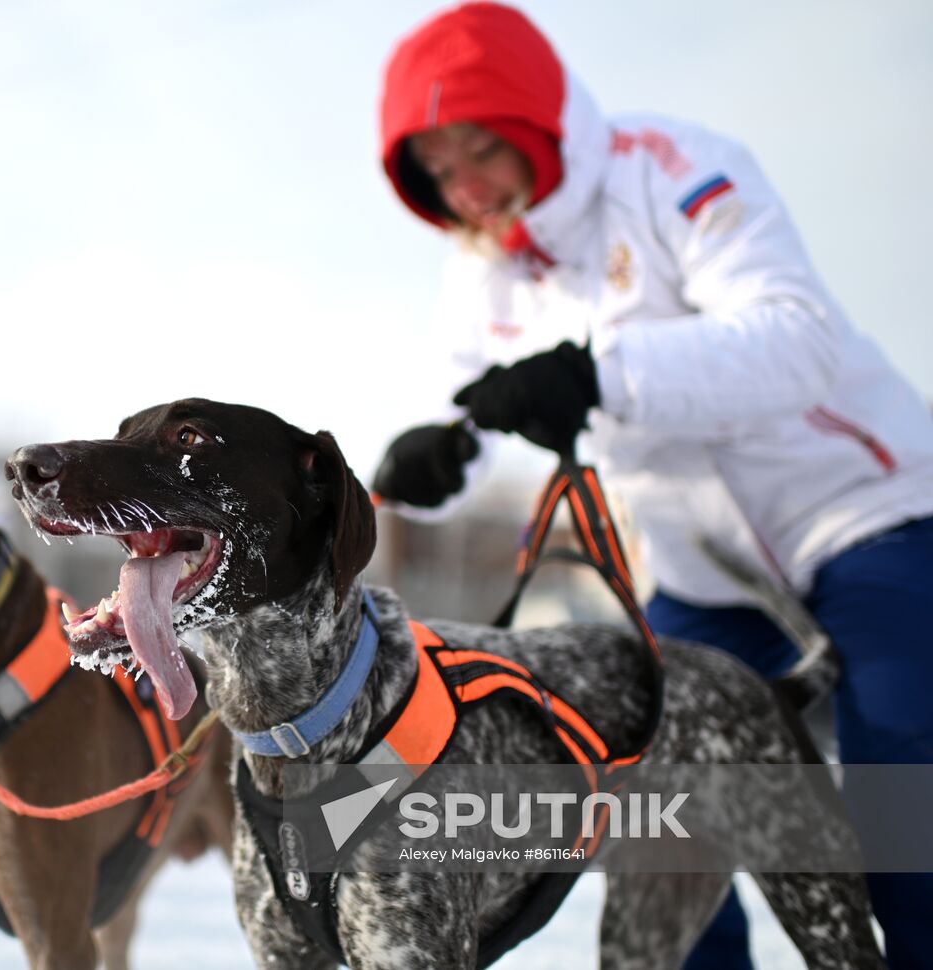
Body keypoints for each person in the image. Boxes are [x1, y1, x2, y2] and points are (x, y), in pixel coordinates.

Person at [372, 4, 933, 968]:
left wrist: (600, 372)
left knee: (901, 799)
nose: (466, 187)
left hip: (863, 514)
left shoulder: (668, 169)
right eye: (438, 171)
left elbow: (797, 341)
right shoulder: (478, 286)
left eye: (481, 150)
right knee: (663, 820)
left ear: (536, 124)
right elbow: (488, 424)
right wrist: (441, 466)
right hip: (697, 569)